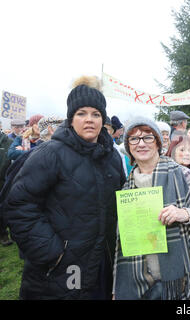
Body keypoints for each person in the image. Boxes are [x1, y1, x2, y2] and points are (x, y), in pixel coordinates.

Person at [4, 75, 126, 299]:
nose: (89, 119)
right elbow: (19, 205)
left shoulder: (112, 157)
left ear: (103, 119)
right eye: (81, 113)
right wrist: (53, 253)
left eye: (96, 114)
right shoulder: (49, 154)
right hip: (58, 272)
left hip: (101, 265)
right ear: (71, 119)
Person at [112, 116, 190, 300]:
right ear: (128, 147)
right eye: (134, 139)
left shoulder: (182, 173)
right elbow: (121, 241)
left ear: (158, 143)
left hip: (183, 274)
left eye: (148, 137)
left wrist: (183, 213)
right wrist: (115, 287)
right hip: (141, 282)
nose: (141, 143)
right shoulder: (126, 187)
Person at [0, 127, 13, 246]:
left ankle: (3, 235)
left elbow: (8, 162)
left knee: (3, 209)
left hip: (3, 182)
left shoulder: (8, 142)